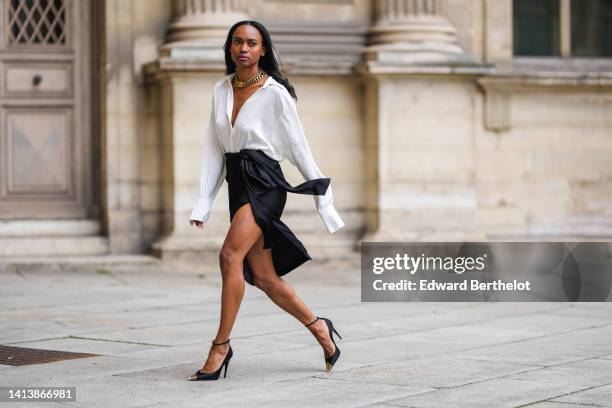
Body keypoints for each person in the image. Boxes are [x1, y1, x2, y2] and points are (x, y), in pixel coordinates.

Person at [187, 20, 346, 381]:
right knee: (264, 276)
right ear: (230, 48)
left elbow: (299, 149)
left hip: (265, 183)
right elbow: (214, 149)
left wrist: (325, 201)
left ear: (263, 50)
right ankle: (320, 327)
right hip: (237, 182)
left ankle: (221, 346)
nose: (244, 48)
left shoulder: (276, 93)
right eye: (237, 42)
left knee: (230, 256)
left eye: (252, 43)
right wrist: (203, 201)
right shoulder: (221, 89)